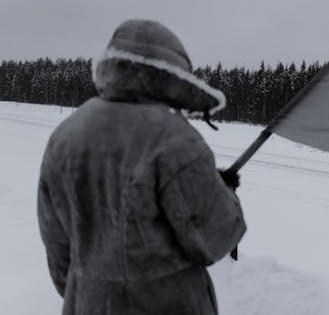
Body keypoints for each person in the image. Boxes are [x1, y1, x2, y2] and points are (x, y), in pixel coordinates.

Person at [37, 19, 246, 315]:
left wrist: (92, 290)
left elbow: (58, 251)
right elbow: (217, 237)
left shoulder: (64, 136)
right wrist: (224, 192)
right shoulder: (177, 139)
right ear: (172, 77)